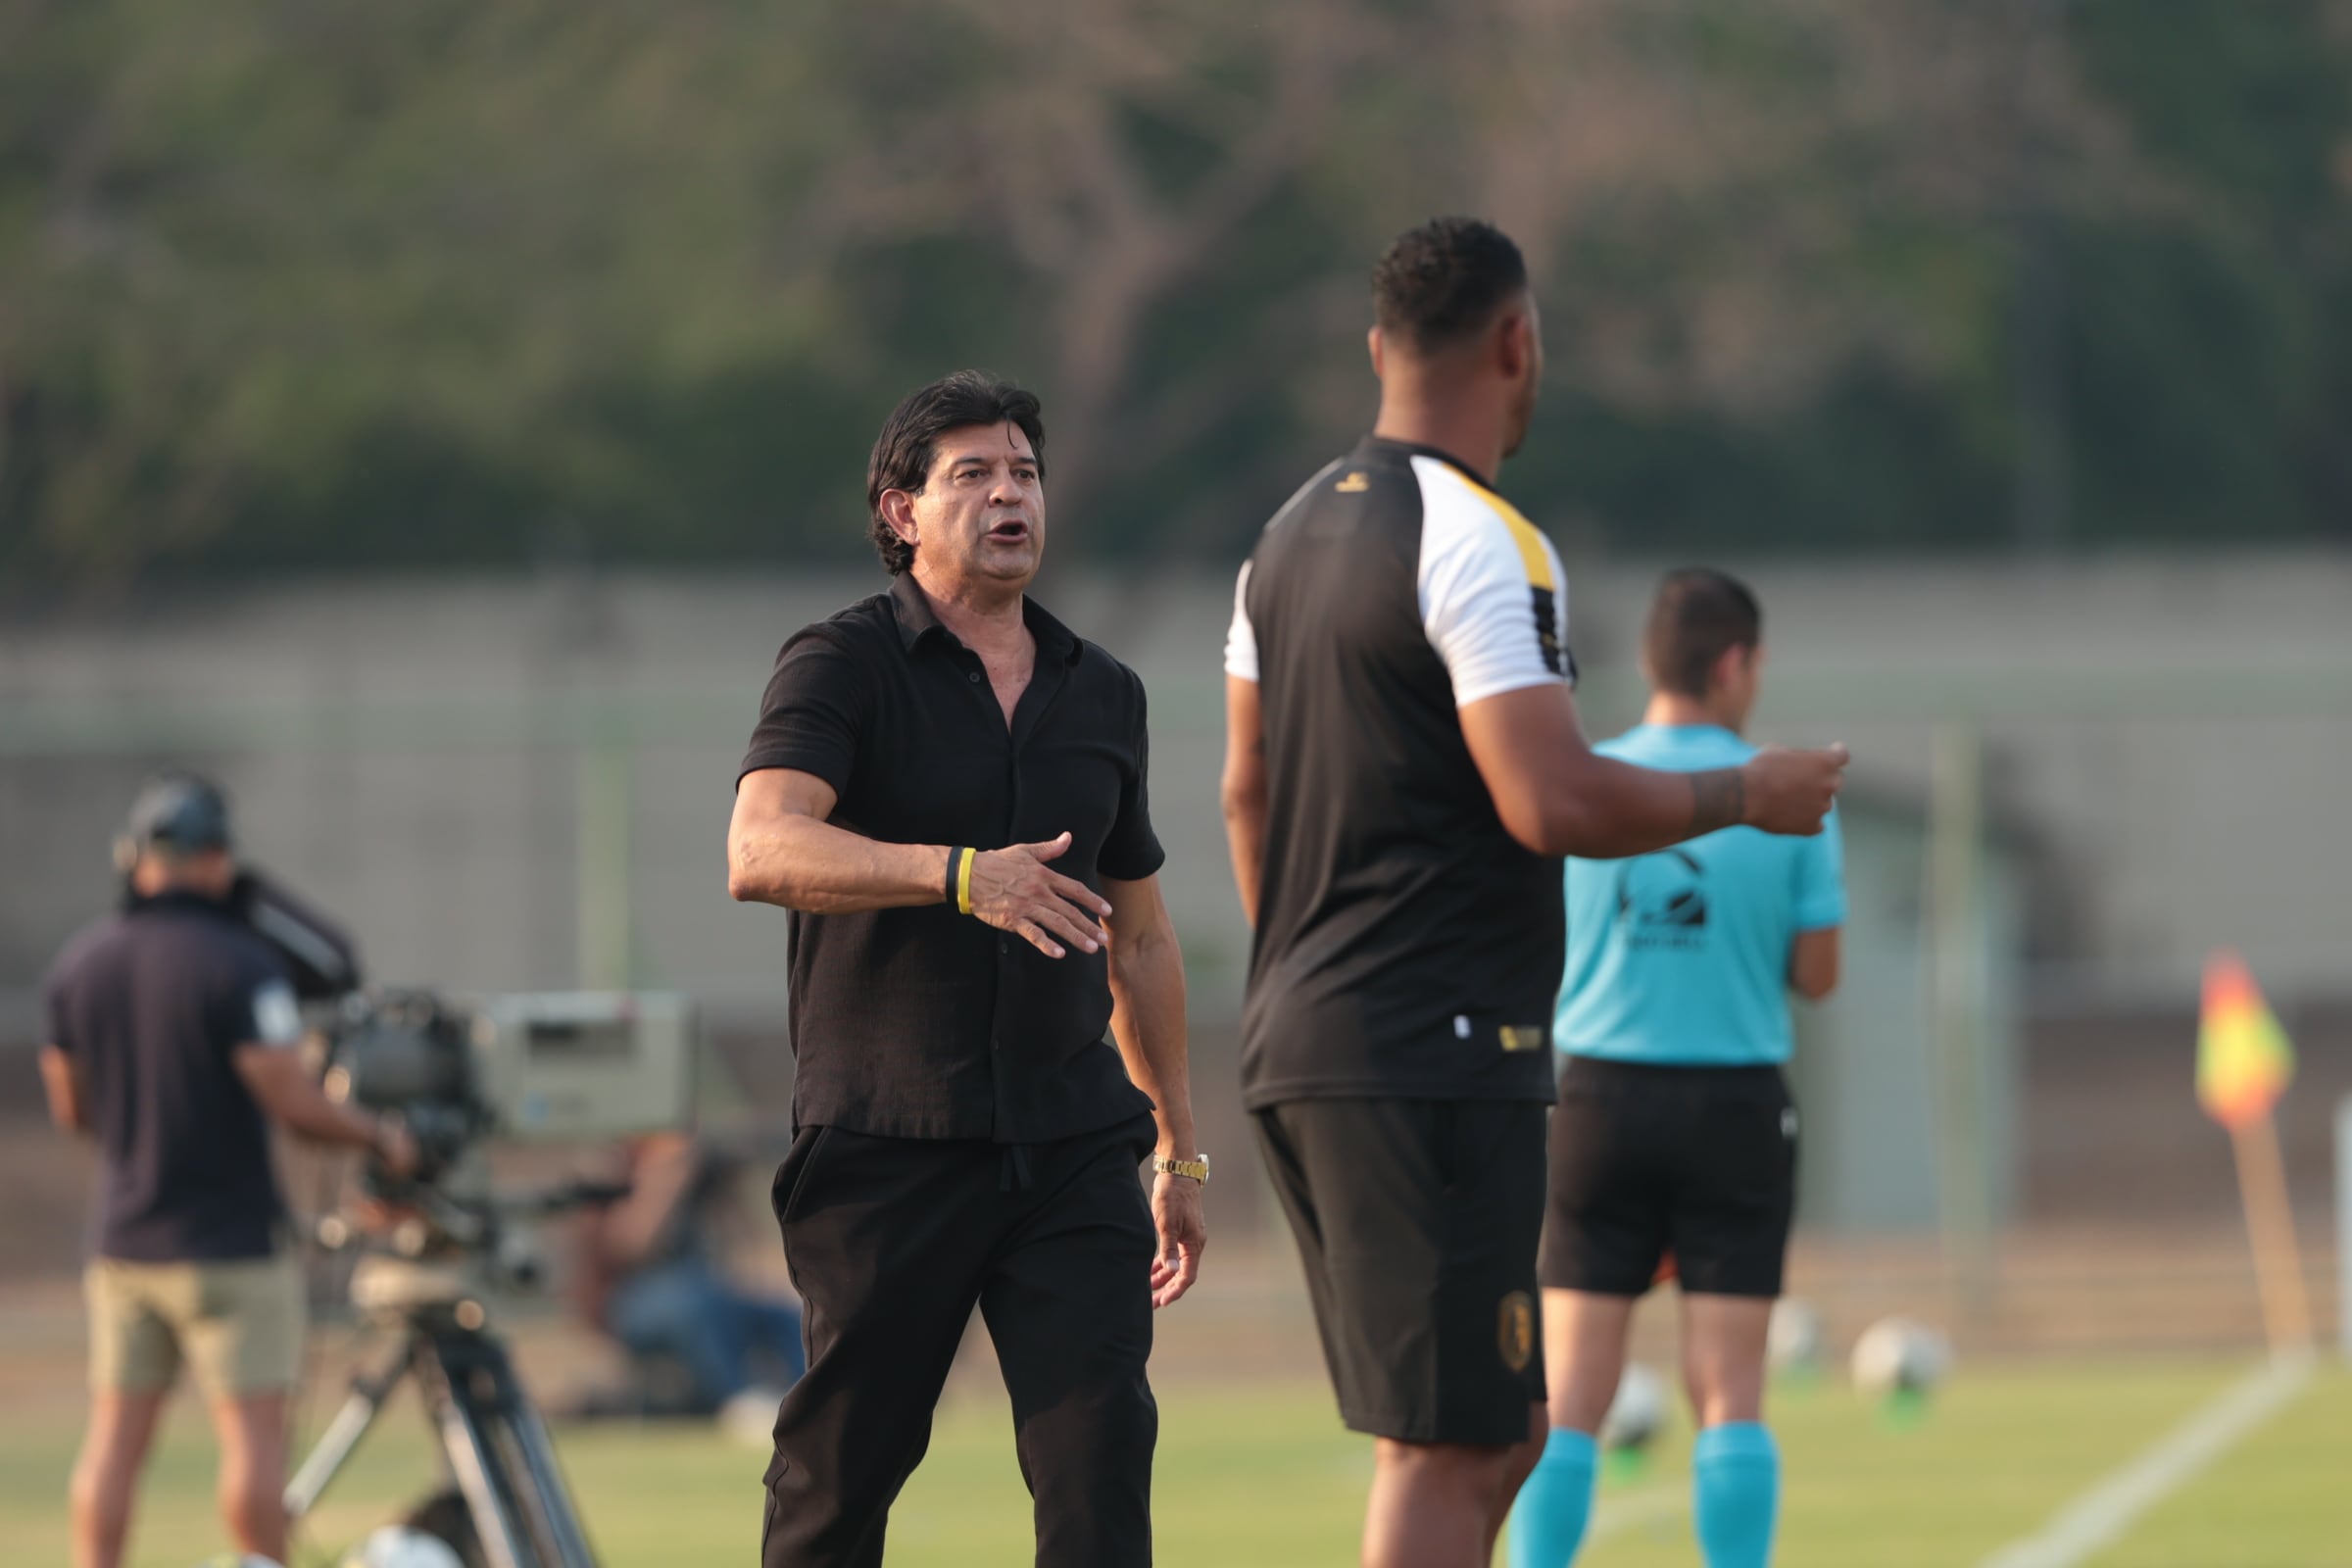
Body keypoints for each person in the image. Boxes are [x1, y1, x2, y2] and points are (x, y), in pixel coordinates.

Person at [1221, 218, 1847, 1568]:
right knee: (1458, 1446)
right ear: (1518, 344)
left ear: (1377, 349)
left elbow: (1243, 791)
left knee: (1493, 1432)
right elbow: (1553, 799)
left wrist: (1306, 968)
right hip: (1433, 1047)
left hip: (1307, 1034)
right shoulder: (1485, 538)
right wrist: (1754, 795)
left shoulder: (1276, 542)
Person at [726, 369, 1206, 1568]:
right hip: (888, 1141)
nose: (1010, 496)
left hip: (1071, 1147)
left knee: (1100, 1468)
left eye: (1026, 473)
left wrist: (1179, 1146)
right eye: (974, 475)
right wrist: (957, 874)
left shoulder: (1104, 693)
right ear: (901, 512)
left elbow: (1139, 938)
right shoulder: (840, 663)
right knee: (843, 1476)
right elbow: (760, 845)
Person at [1508, 569, 1845, 1568]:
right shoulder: (1785, 794)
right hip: (1735, 1102)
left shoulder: (1585, 782)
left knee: (1571, 1391)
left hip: (1597, 1099)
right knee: (1731, 1389)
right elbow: (1818, 977)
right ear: (1735, 663)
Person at [38, 774, 418, 1568]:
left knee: (114, 1444)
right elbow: (293, 1100)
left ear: (135, 860)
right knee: (252, 1444)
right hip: (231, 1246)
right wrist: (379, 1136)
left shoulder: (80, 963)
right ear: (217, 860)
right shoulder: (238, 963)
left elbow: (71, 1108)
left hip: (124, 1243)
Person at [576, 1132, 806, 1418]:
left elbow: (750, 1243)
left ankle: (811, 1399)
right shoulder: (618, 1163)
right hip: (630, 1302)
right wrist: (665, 1177)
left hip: (702, 1289)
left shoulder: (694, 1166)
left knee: (786, 1314)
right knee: (692, 1305)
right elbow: (630, 1244)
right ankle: (737, 1400)